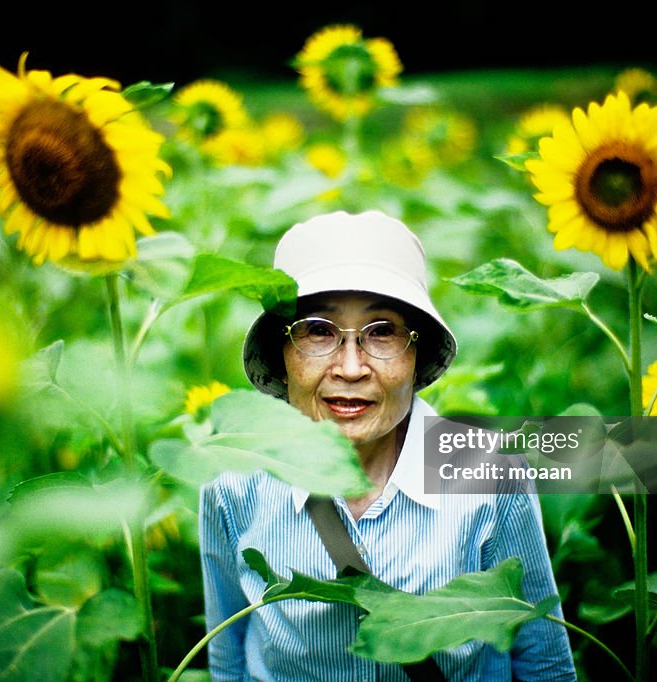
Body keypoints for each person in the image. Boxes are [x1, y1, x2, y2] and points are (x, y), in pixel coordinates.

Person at [198, 210, 576, 680]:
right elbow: (228, 658)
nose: (352, 368)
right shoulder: (233, 482)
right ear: (282, 353)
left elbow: (543, 663)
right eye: (318, 330)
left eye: (382, 332)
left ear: (418, 353)